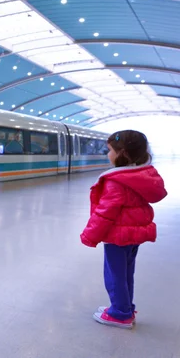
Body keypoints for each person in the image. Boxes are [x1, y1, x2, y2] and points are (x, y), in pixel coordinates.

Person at [80, 130, 167, 329]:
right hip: (133, 236)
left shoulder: (116, 181)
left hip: (117, 236)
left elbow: (105, 213)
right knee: (127, 273)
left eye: (109, 150)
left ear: (123, 154)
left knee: (114, 275)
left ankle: (120, 314)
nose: (107, 154)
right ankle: (126, 307)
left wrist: (89, 236)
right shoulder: (140, 176)